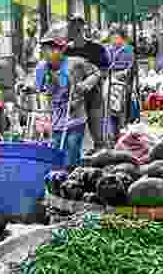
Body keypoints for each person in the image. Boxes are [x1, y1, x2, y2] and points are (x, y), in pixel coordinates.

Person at [35, 27, 102, 166]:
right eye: (44, 49)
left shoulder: (75, 63)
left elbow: (96, 73)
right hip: (57, 118)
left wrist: (85, 84)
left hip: (76, 116)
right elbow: (37, 87)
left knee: (72, 149)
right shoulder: (42, 68)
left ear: (60, 50)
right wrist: (27, 88)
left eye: (51, 49)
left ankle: (73, 175)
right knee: (58, 151)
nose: (47, 53)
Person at [65, 14, 110, 152]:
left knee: (97, 133)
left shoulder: (97, 48)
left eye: (77, 29)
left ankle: (101, 154)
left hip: (93, 95)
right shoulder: (66, 50)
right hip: (74, 99)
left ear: (83, 29)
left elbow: (104, 70)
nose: (74, 32)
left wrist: (89, 82)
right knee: (74, 136)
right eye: (72, 28)